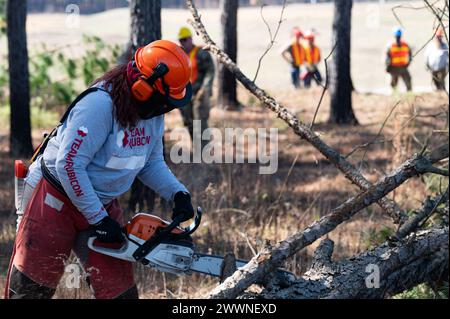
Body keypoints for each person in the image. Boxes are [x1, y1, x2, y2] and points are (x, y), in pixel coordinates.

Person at [4, 40, 195, 299]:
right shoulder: (99, 106)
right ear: (142, 88)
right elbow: (68, 164)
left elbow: (150, 162)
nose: (166, 107)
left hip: (100, 203)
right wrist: (98, 219)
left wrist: (177, 193)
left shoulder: (152, 115)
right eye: (164, 100)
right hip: (55, 199)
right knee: (29, 291)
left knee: (120, 293)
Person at [177, 26, 215, 144]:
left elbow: (210, 70)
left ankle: (205, 151)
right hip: (184, 96)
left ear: (190, 38)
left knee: (200, 122)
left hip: (199, 94)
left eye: (185, 39)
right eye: (181, 40)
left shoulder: (201, 53)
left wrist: (205, 88)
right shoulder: (179, 55)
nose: (183, 42)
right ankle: (196, 148)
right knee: (188, 121)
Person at [386, 27, 412, 92]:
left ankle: (408, 94)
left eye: (398, 37)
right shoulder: (391, 45)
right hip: (394, 68)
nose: (398, 38)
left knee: (408, 82)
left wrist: (408, 63)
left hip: (402, 67)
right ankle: (395, 95)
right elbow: (387, 57)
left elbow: (410, 55)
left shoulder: (404, 45)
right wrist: (388, 67)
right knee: (394, 85)